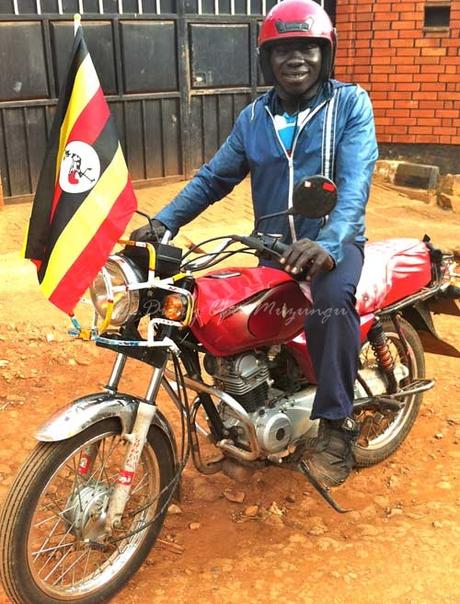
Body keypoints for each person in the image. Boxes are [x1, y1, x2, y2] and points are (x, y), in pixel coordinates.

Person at [131, 0, 378, 490]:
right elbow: (212, 179)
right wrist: (163, 224)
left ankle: (336, 425)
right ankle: (248, 407)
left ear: (325, 52)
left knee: (330, 305)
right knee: (218, 309)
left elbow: (355, 182)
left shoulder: (350, 104)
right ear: (267, 58)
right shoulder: (254, 118)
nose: (296, 59)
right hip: (274, 249)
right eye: (283, 49)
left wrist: (329, 242)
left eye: (307, 47)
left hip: (333, 248)